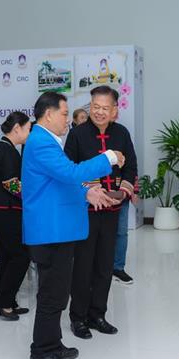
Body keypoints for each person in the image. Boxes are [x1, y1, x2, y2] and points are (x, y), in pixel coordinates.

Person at [22, 91, 124, 359]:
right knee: (52, 294)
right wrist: (109, 157)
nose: (68, 119)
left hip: (59, 229)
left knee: (57, 292)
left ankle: (53, 344)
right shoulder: (41, 142)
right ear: (49, 114)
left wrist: (86, 193)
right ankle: (41, 352)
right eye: (65, 114)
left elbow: (59, 182)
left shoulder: (46, 140)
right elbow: (71, 173)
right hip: (50, 231)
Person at [65, 85, 138, 339]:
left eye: (105, 108)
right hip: (86, 210)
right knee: (83, 265)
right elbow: (69, 170)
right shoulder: (77, 134)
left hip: (112, 209)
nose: (99, 112)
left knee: (105, 265)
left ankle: (98, 314)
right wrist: (90, 190)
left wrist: (123, 192)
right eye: (95, 106)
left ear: (115, 110)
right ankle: (78, 318)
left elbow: (131, 167)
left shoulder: (121, 133)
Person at [0, 111, 32, 321]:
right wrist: (33, 197)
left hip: (2, 211)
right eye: (28, 129)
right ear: (17, 128)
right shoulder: (7, 150)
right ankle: (3, 300)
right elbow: (11, 184)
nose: (29, 133)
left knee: (7, 257)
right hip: (5, 212)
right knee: (21, 256)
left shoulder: (7, 147)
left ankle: (8, 302)